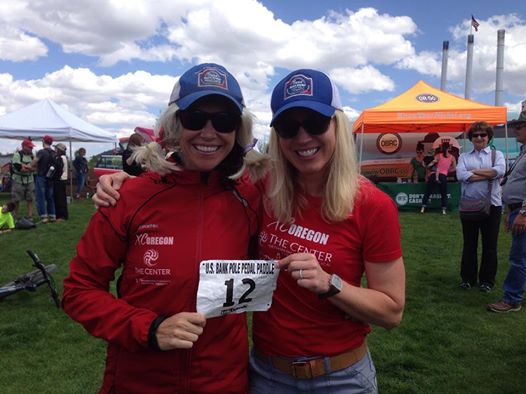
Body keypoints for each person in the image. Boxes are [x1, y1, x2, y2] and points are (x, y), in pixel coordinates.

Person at [94, 69, 406, 393]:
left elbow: (392, 311)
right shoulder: (262, 189)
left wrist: (330, 284)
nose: (302, 137)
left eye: (315, 123)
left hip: (338, 378)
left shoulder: (371, 205)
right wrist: (129, 184)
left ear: (337, 127)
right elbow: (188, 185)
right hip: (266, 375)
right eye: (288, 127)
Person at [62, 63, 264, 393]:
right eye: (195, 118)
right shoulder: (128, 197)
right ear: (173, 125)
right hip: (139, 381)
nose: (209, 132)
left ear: (238, 131)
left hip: (224, 383)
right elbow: (78, 291)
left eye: (224, 121)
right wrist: (150, 329)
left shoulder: (252, 197)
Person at [456, 122, 505, 291]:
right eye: (475, 135)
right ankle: (467, 279)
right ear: (471, 138)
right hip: (469, 206)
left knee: (490, 245)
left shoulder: (496, 154)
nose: (479, 138)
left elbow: (499, 171)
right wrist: (487, 173)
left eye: (483, 135)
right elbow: (460, 175)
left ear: (488, 137)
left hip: (492, 205)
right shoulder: (463, 156)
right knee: (469, 244)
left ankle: (487, 281)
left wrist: (473, 173)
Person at [487, 110, 526, 312]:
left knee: (518, 258)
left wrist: (523, 213)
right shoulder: (523, 152)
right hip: (516, 209)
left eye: (519, 127)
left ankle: (512, 299)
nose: (514, 131)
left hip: (522, 210)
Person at [420, 141, 456, 214]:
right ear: (449, 148)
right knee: (443, 193)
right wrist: (446, 170)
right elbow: (454, 168)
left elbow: (431, 164)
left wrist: (426, 166)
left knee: (428, 192)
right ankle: (443, 210)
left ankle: (423, 208)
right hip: (443, 176)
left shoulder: (438, 155)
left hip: (434, 175)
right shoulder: (452, 157)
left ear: (442, 148)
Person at [32, 135, 56, 223]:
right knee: (50, 197)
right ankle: (52, 215)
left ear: (43, 141)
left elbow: (34, 162)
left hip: (41, 176)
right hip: (50, 177)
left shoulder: (41, 152)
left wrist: (30, 166)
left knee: (40, 197)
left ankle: (44, 216)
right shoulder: (54, 153)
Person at [10, 138, 35, 219]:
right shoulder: (17, 155)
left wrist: (25, 165)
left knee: (30, 199)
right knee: (16, 199)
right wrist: (30, 167)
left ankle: (30, 216)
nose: (32, 148)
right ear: (24, 146)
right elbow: (20, 169)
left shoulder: (32, 155)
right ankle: (15, 217)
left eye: (32, 147)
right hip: (18, 180)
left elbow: (36, 168)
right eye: (30, 147)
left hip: (30, 180)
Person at [53, 143, 69, 221]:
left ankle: (61, 216)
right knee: (62, 198)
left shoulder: (60, 158)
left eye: (56, 149)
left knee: (59, 198)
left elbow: (58, 170)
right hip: (63, 179)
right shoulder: (64, 157)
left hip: (60, 180)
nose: (55, 150)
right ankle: (62, 215)